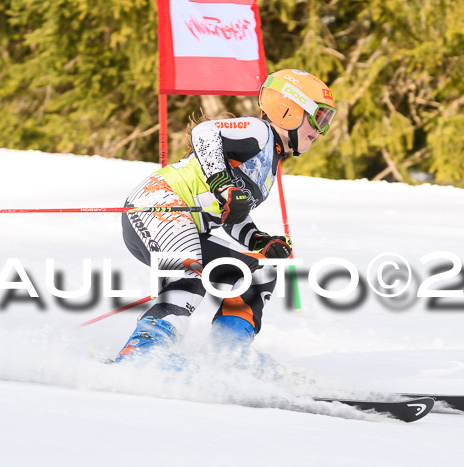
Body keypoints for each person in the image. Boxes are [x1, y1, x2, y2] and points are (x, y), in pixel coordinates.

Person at [115, 69, 336, 362]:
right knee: (190, 275)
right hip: (158, 204)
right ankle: (142, 352)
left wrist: (258, 240)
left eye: (327, 120)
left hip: (186, 225)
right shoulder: (260, 132)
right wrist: (223, 185)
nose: (321, 130)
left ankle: (226, 357)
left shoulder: (269, 160)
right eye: (319, 118)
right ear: (289, 110)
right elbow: (204, 132)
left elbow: (232, 214)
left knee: (258, 273)